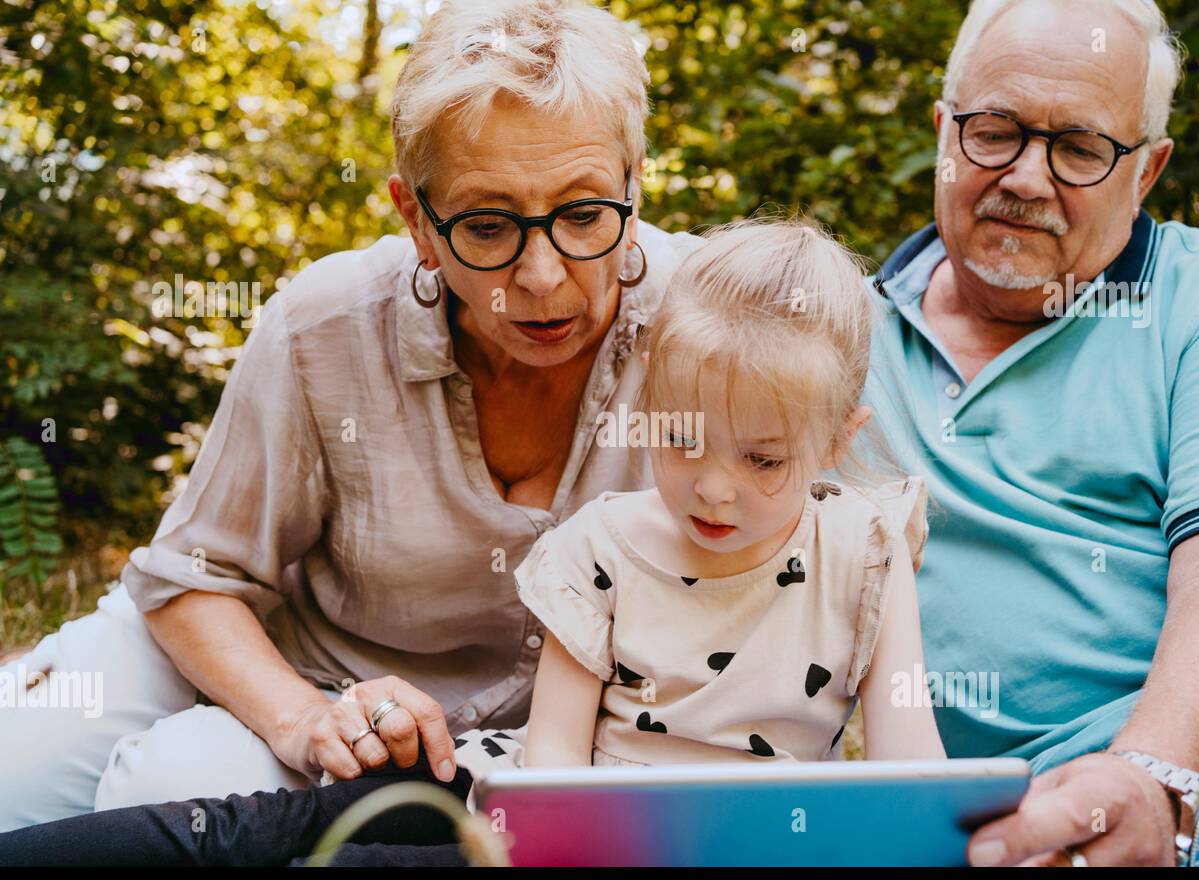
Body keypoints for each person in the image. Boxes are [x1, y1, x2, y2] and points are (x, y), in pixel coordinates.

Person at [0, 219, 946, 865]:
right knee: (245, 837)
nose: (712, 485)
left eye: (765, 460)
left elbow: (914, 775)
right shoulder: (601, 548)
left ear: (836, 441)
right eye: (681, 437)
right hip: (518, 811)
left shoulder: (866, 552)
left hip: (733, 840)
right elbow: (554, 777)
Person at [0, 0, 704, 833]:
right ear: (417, 220)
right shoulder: (323, 323)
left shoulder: (714, 325)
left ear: (636, 181)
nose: (543, 277)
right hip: (286, 660)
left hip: (550, 730)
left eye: (584, 214)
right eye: (486, 226)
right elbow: (195, 580)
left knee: (169, 796)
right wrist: (299, 718)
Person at [863, 0, 1199, 866]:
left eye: (1079, 148)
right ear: (944, 132)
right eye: (996, 131)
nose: (1026, 179)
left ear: (1147, 172)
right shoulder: (837, 335)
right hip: (904, 825)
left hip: (1192, 828)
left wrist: (1152, 782)